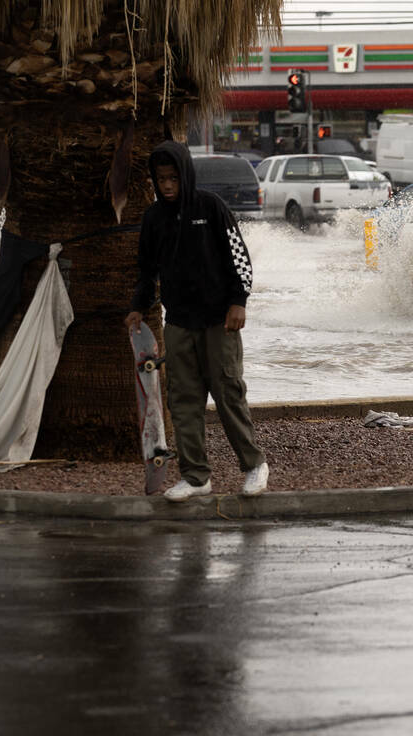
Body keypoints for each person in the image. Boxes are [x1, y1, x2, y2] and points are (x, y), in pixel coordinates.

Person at [125, 141, 268, 501]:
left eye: (173, 177)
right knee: (183, 400)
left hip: (219, 321)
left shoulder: (210, 206)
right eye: (161, 179)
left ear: (185, 175)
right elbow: (147, 270)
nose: (168, 185)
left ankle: (254, 465)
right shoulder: (154, 218)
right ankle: (195, 475)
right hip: (178, 323)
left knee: (227, 393)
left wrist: (239, 302)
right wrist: (138, 305)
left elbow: (240, 258)